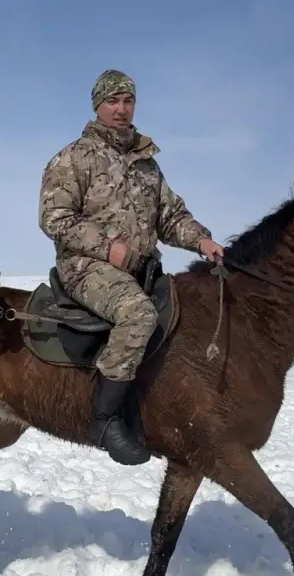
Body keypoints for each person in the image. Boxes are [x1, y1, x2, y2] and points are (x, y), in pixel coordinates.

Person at [38, 69, 225, 466]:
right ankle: (104, 420)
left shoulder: (147, 164)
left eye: (128, 101)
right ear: (97, 106)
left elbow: (171, 217)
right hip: (85, 267)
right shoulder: (73, 157)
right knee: (138, 314)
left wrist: (203, 240)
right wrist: (108, 249)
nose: (121, 110)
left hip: (140, 270)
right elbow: (54, 217)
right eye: (112, 101)